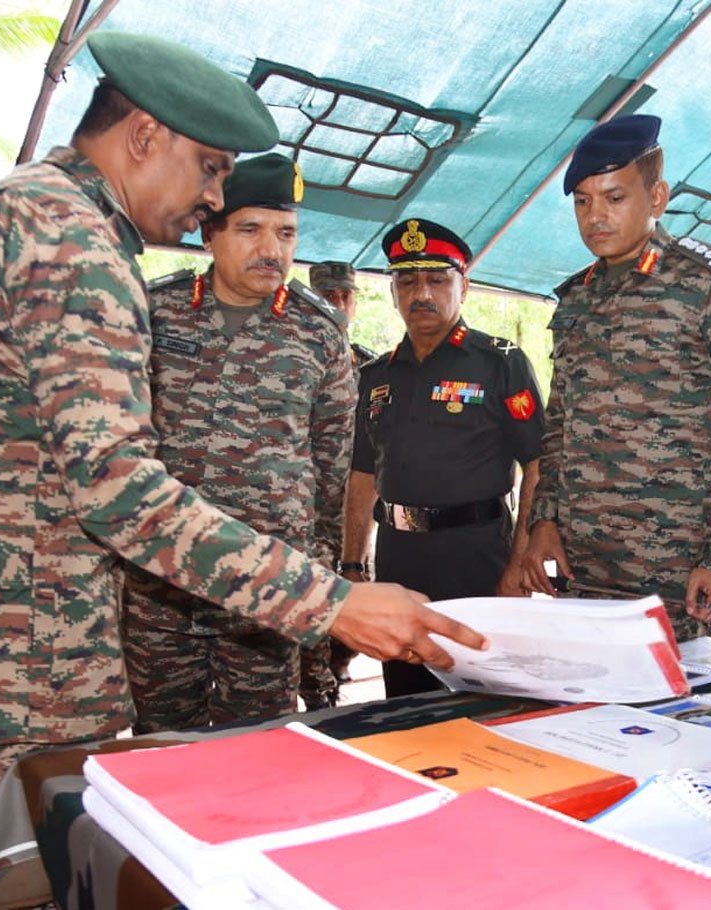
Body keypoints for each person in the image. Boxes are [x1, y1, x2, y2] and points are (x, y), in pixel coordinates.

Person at [0, 32, 485, 882]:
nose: (213, 198)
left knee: (4, 880)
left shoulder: (10, 209)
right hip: (12, 667)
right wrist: (332, 602)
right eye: (212, 170)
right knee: (14, 888)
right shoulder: (69, 240)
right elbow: (119, 490)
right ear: (145, 135)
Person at [521, 114, 711, 640]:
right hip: (581, 574)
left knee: (662, 720)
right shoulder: (577, 298)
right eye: (583, 201)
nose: (596, 216)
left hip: (672, 576)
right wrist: (543, 520)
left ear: (657, 197)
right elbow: (561, 426)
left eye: (614, 198)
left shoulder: (708, 283)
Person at [122, 153, 355, 727]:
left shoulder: (318, 332)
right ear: (210, 234)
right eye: (250, 229)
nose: (272, 249)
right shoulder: (156, 312)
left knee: (259, 745)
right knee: (161, 738)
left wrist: (314, 567)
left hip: (270, 586)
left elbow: (331, 469)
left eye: (286, 233)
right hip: (162, 581)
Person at [342, 218, 545, 697]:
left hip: (475, 557)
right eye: (407, 281)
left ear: (464, 287)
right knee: (405, 696)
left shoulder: (500, 362)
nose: (422, 294)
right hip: (398, 561)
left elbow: (538, 466)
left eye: (437, 279)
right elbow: (363, 474)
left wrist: (518, 563)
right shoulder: (375, 375)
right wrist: (352, 565)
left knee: (482, 694)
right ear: (392, 293)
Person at [301, 260, 377, 698]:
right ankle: (316, 688)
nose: (338, 302)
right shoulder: (294, 358)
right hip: (307, 511)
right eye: (328, 295)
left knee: (351, 605)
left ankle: (337, 673)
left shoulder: (372, 367)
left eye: (345, 295)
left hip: (352, 511)